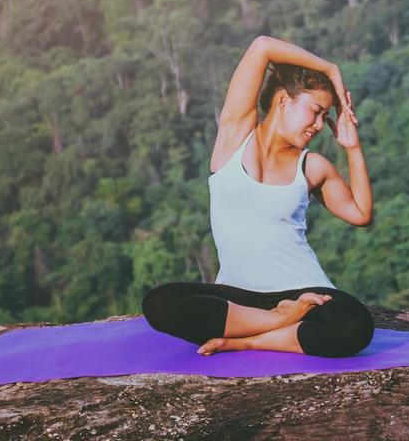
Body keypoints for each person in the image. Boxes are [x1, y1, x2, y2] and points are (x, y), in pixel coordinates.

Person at [141, 35, 376, 357]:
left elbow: (361, 213)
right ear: (284, 101)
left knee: (354, 324)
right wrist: (330, 69)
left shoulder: (312, 166)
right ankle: (276, 322)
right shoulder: (234, 139)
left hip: (303, 293)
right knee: (159, 303)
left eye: (325, 117)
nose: (320, 125)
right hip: (238, 296)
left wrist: (352, 148)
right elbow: (262, 47)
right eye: (316, 111)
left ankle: (251, 339)